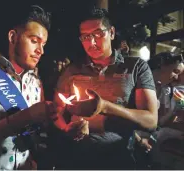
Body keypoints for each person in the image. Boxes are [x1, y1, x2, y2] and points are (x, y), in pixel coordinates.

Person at [0, 5, 87, 170]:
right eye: (34, 41)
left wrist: (65, 127)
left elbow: (37, 129)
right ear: (13, 37)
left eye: (44, 44)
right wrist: (23, 118)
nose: (40, 50)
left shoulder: (35, 82)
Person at [51, 7, 158, 169]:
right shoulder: (72, 70)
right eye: (86, 37)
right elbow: (55, 110)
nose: (91, 42)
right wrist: (66, 128)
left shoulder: (135, 67)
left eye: (98, 34)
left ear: (112, 33)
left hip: (118, 156)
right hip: (77, 157)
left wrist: (105, 107)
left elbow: (151, 120)